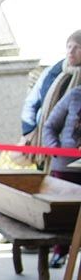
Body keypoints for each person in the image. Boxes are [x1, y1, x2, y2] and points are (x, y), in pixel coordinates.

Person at [42, 86, 81, 267]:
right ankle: (60, 251)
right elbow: (49, 126)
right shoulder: (75, 94)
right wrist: (56, 149)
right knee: (63, 212)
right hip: (67, 168)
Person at [21, 30, 81, 138]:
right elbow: (31, 102)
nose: (71, 51)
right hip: (42, 136)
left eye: (77, 47)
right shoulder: (52, 72)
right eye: (69, 46)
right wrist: (29, 130)